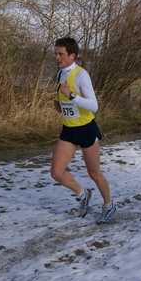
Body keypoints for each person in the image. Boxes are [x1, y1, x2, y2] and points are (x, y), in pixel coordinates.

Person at [50, 37, 116, 224]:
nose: (57, 57)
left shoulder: (81, 75)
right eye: (56, 53)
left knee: (94, 173)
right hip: (69, 130)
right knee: (56, 173)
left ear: (73, 55)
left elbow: (93, 105)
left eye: (61, 53)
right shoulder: (60, 74)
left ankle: (109, 205)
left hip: (86, 129)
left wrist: (70, 96)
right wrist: (61, 106)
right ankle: (83, 194)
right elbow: (70, 104)